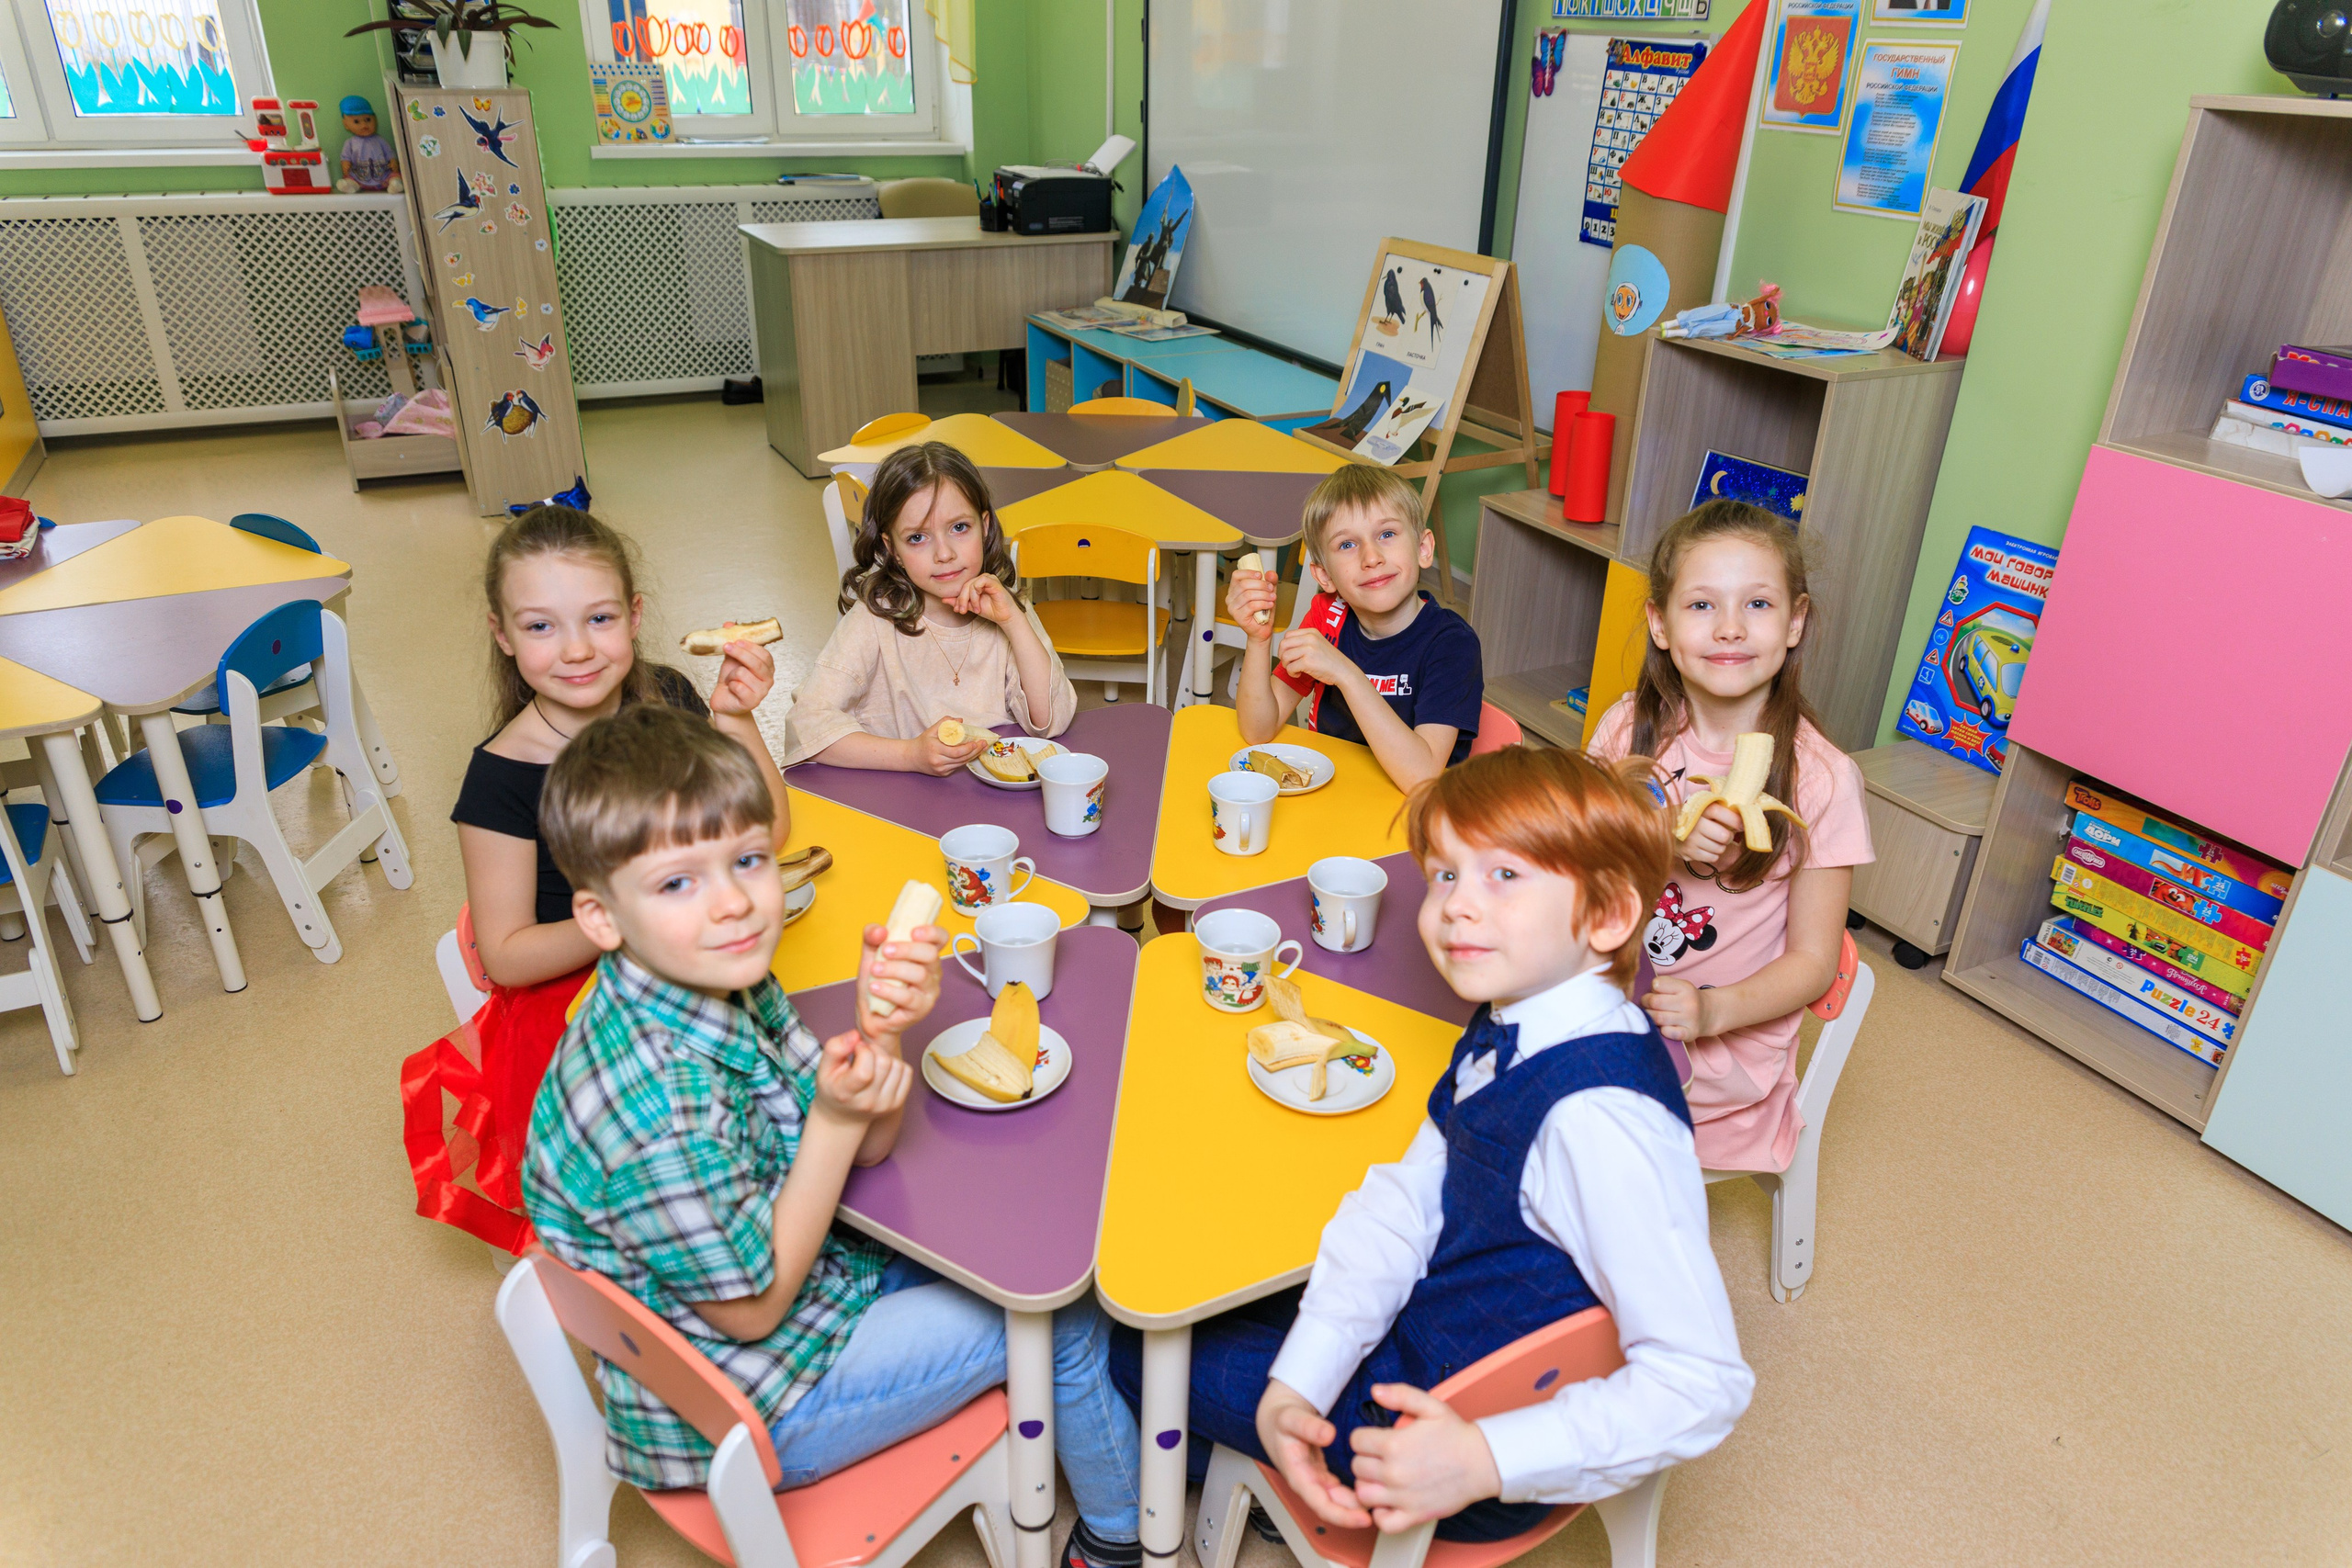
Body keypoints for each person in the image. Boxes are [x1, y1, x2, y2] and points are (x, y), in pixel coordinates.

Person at [523, 708, 1142, 1568]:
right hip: (757, 1399)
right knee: (1057, 1313)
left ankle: (1116, 1424)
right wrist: (836, 1118)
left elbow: (870, 1148)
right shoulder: (656, 1099)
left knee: (1012, 1233)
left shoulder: (715, 975)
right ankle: (1124, 1536)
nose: (736, 900)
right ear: (599, 915)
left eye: (746, 859)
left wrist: (879, 1033)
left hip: (801, 1280)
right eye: (677, 882)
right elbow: (753, 1307)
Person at [1111, 747, 1751, 1540]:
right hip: (1447, 1339)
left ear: (1610, 915)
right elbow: (1410, 1198)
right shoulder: (1527, 1007)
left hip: (1446, 1441)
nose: (1456, 904)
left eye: (1505, 876)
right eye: (1445, 873)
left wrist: (1484, 1456)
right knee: (1230, 1280)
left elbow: (1703, 1379)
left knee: (1136, 1349)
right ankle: (1285, 1454)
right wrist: (1297, 1380)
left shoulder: (1599, 1121)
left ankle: (1276, 1489)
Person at [443, 504, 790, 1237]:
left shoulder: (667, 697)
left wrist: (735, 721)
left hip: (692, 959)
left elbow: (769, 831)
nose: (576, 649)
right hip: (578, 1005)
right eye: (541, 626)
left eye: (598, 618)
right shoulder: (501, 777)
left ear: (634, 616)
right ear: (502, 634)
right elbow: (505, 955)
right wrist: (631, 920)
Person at [1586, 499, 1873, 1173]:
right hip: (1613, 985)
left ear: (1796, 620)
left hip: (1718, 1040)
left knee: (1562, 1105)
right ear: (1659, 622)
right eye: (1702, 606)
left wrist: (1713, 1012)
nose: (1730, 629)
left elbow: (1812, 962)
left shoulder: (1824, 780)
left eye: (1758, 605)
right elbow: (1569, 861)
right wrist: (1661, 839)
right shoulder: (1628, 728)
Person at [785, 442, 1076, 772]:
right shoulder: (874, 618)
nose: (944, 554)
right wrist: (910, 755)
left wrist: (1015, 623)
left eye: (959, 528)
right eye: (917, 538)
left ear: (985, 526)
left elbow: (1052, 721)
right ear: (891, 548)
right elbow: (805, 724)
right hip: (899, 800)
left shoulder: (1006, 605)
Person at [1226, 464, 1482, 793]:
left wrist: (1346, 674)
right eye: (1347, 545)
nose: (1371, 557)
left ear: (1423, 548)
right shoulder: (1327, 616)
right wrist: (1258, 640)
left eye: (1387, 534)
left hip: (1415, 819)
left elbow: (1422, 780)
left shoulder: (1452, 645)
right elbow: (1258, 731)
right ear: (1325, 577)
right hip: (1335, 801)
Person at [335, 95, 401, 193]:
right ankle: (350, 186)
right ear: (346, 124)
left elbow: (389, 152)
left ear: (375, 119)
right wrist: (345, 163)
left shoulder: (380, 140)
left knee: (394, 176)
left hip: (382, 176)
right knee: (349, 178)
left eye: (368, 120)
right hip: (358, 176)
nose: (364, 125)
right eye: (357, 122)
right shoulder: (350, 143)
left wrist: (393, 160)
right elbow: (345, 157)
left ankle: (395, 185)